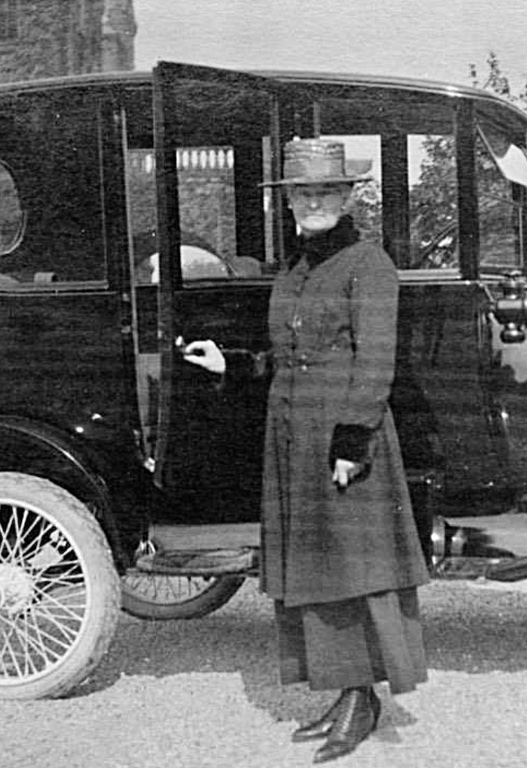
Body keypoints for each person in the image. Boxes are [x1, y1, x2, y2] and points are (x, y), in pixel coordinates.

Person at [182, 138, 429, 763]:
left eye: (326, 191)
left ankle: (362, 699)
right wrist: (232, 363)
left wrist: (352, 441)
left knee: (354, 570)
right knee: (317, 569)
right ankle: (347, 694)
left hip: (342, 439)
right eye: (303, 193)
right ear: (288, 200)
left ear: (346, 197)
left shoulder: (368, 264)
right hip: (293, 436)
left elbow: (375, 363)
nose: (314, 203)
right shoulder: (295, 268)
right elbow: (288, 356)